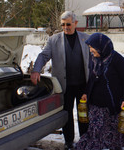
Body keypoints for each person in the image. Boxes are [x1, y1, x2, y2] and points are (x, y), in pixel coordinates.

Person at [31, 11, 89, 149]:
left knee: (84, 114)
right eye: (63, 25)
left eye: (68, 24)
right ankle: (69, 141)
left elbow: (94, 57)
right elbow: (44, 55)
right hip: (64, 86)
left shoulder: (85, 38)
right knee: (66, 114)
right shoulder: (54, 40)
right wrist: (36, 70)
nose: (65, 27)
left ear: (75, 23)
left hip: (83, 85)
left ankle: (85, 139)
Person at [75, 33, 124, 150]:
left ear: (102, 47)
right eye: (90, 48)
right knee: (95, 130)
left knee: (112, 130)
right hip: (95, 102)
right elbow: (91, 77)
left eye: (93, 48)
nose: (91, 50)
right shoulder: (93, 59)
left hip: (112, 103)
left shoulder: (117, 59)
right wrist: (86, 92)